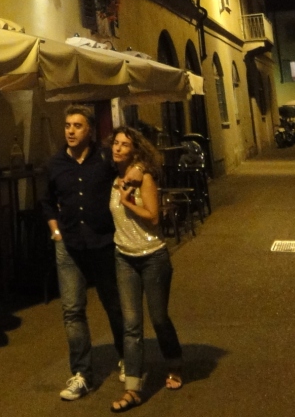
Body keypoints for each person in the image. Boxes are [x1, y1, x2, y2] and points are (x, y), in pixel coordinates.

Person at [40, 104, 125, 401]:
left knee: (113, 304)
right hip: (69, 246)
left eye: (77, 126)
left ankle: (127, 357)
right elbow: (46, 201)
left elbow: (129, 170)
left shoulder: (105, 159)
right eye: (67, 126)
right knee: (73, 310)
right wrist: (55, 231)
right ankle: (82, 374)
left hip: (103, 242)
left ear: (90, 130)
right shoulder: (55, 164)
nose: (71, 131)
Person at [108, 127, 183, 413]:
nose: (118, 148)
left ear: (135, 150)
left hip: (153, 257)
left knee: (159, 318)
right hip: (123, 258)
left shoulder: (145, 178)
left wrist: (128, 202)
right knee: (131, 325)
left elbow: (153, 218)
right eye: (115, 143)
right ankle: (133, 389)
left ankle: (174, 363)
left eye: (124, 145)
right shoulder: (113, 178)